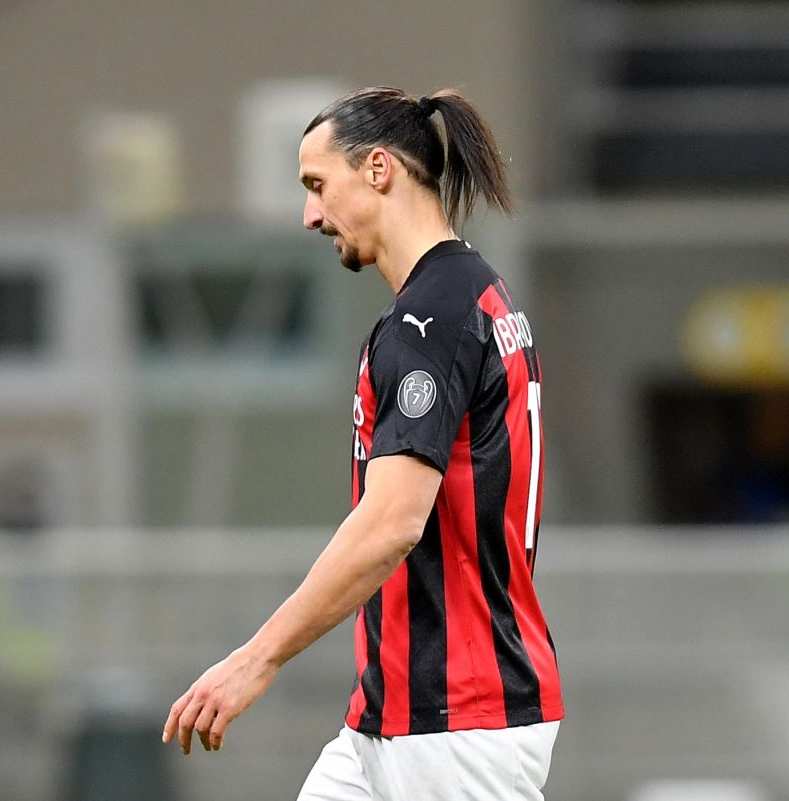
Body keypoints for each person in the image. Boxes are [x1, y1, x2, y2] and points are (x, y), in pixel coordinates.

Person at [162, 86, 564, 801]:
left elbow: (392, 523)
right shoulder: (475, 293)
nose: (311, 214)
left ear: (379, 169)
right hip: (391, 717)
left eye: (318, 186)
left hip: (456, 723)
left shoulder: (429, 321)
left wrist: (257, 659)